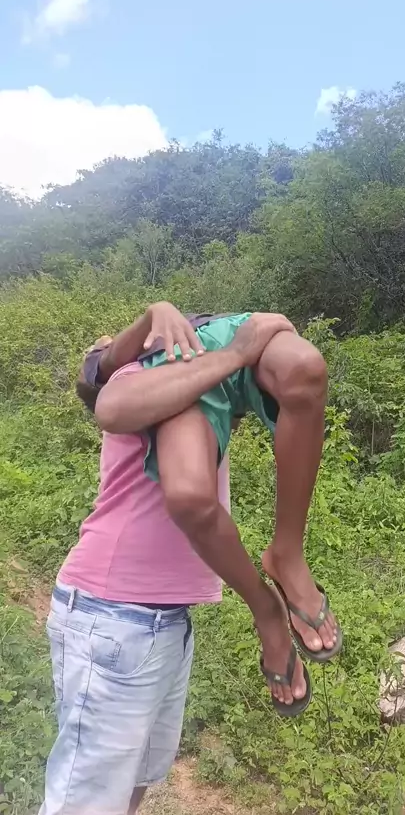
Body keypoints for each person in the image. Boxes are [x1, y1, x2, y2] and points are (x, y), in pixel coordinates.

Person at [40, 305, 316, 815]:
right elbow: (112, 403)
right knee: (85, 804)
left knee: (132, 788)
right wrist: (236, 352)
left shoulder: (192, 389)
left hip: (161, 622)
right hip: (112, 616)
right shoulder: (136, 376)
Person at [95, 308, 343, 719]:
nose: (107, 341)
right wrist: (152, 317)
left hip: (223, 336)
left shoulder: (197, 324)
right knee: (188, 495)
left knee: (306, 368)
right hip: (178, 377)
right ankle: (266, 610)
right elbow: (107, 387)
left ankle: (288, 554)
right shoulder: (124, 369)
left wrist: (161, 314)